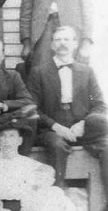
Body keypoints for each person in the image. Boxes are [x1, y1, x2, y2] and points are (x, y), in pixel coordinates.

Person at [26, 26, 107, 190]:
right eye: (58, 40)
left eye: (67, 39)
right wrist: (56, 127)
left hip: (82, 129)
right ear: (52, 45)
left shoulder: (87, 71)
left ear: (75, 44)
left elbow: (100, 105)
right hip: (52, 129)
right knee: (57, 146)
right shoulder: (38, 72)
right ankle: (59, 195)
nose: (62, 43)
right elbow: (32, 108)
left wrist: (84, 124)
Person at [0, 119, 50, 211]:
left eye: (12, 136)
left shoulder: (33, 166)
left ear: (20, 140)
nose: (7, 141)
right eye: (3, 136)